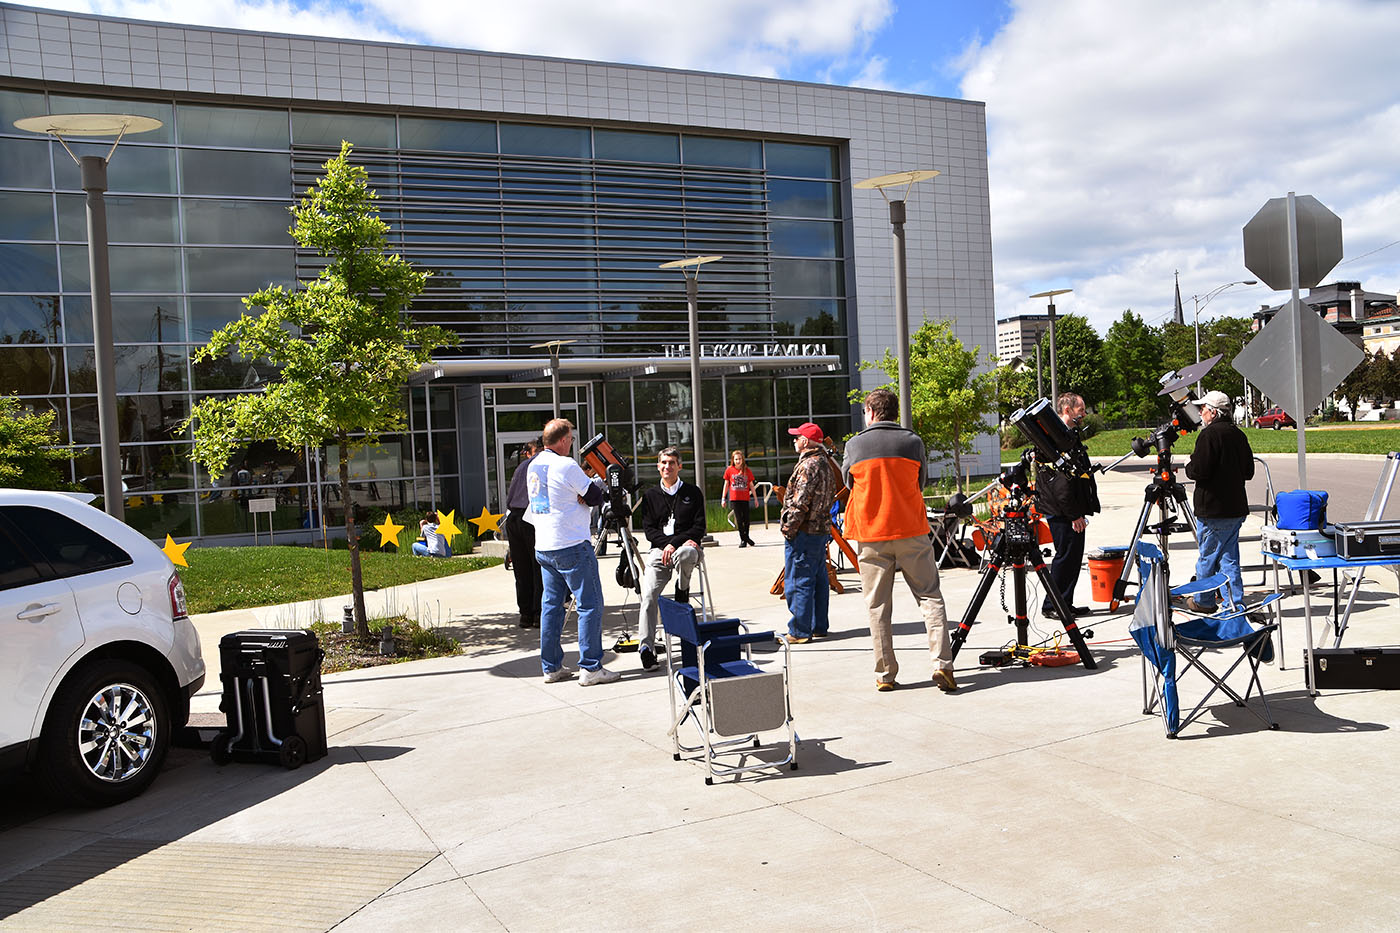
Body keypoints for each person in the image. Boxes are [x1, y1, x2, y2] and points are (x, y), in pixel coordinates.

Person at [842, 388, 956, 693]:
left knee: (878, 606)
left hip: (872, 533)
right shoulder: (913, 442)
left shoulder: (855, 445)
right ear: (895, 412)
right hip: (911, 529)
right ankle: (943, 664)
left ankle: (885, 674)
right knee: (929, 596)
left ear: (870, 412)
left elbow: (849, 483)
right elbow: (921, 482)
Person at [525, 418, 621, 686]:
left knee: (551, 607)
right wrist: (588, 489)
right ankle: (590, 667)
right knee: (590, 604)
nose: (571, 444)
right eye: (571, 439)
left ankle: (551, 667)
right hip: (571, 544)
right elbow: (595, 497)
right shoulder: (566, 465)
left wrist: (579, 492)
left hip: (544, 546)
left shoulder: (534, 465)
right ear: (564, 440)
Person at [635, 447, 706, 671]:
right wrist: (666, 545)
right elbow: (649, 531)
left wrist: (675, 543)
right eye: (664, 463)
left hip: (686, 548)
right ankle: (646, 648)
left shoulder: (693, 492)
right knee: (648, 596)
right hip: (659, 551)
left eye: (672, 463)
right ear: (658, 466)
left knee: (686, 553)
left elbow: (699, 527)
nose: (667, 467)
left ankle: (682, 589)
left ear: (679, 466)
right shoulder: (650, 496)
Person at [1184, 389, 1255, 612]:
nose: (1200, 413)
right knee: (1228, 559)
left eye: (1203, 409)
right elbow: (1249, 471)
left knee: (1207, 558)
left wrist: (1189, 465)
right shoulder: (1238, 435)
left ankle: (1204, 601)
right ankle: (1234, 603)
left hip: (1213, 510)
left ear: (1213, 412)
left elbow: (1199, 470)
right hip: (1235, 508)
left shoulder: (1209, 435)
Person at [1036, 392, 1100, 619]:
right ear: (1067, 410)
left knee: (1072, 558)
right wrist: (1074, 515)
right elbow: (1060, 484)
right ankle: (1052, 605)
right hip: (1062, 511)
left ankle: (1065, 602)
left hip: (1069, 509)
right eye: (1080, 410)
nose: (1084, 414)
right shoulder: (1056, 440)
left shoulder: (1066, 436)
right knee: (1065, 557)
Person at [779, 421, 839, 644]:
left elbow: (800, 501)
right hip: (820, 529)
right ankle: (818, 625)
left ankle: (799, 631)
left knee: (799, 580)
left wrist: (789, 527)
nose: (794, 441)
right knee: (818, 578)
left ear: (805, 441)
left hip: (804, 530)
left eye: (796, 438)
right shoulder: (824, 463)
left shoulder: (808, 465)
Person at [504, 438, 544, 628]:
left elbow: (510, 495)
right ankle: (538, 613)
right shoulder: (542, 465)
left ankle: (525, 614)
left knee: (521, 570)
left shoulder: (521, 467)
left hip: (514, 517)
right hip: (530, 517)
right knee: (538, 567)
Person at [722, 449, 757, 547]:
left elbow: (751, 485)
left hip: (745, 498)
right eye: (736, 459)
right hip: (735, 499)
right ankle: (743, 539)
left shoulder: (747, 470)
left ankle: (746, 537)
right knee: (739, 520)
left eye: (740, 459)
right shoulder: (729, 470)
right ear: (733, 460)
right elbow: (726, 485)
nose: (738, 461)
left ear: (742, 460)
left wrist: (755, 498)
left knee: (747, 520)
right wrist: (723, 498)